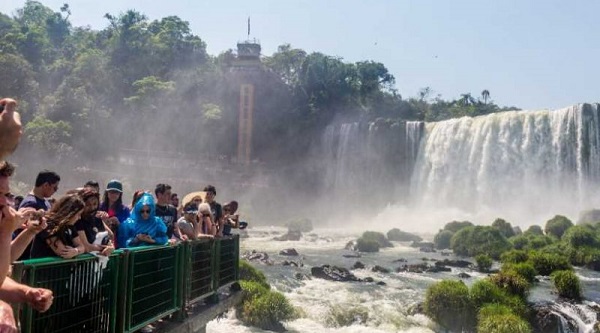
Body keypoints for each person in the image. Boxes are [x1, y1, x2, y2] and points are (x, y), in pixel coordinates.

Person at [15, 170, 61, 260]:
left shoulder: (45, 202)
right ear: (46, 185)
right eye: (55, 188)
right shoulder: (31, 203)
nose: (55, 191)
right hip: (28, 256)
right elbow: (25, 231)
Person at [30, 195, 86, 259]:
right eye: (78, 214)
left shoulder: (70, 226)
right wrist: (75, 250)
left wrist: (76, 251)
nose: (79, 218)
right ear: (70, 212)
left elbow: (82, 247)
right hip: (44, 268)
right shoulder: (48, 224)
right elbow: (63, 252)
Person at [75, 190, 114, 256]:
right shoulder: (78, 221)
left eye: (95, 204)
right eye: (88, 205)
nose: (92, 208)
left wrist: (111, 247)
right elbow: (87, 247)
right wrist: (103, 248)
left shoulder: (98, 219)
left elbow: (107, 239)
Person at [99, 180, 130, 248]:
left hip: (118, 244)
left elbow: (128, 229)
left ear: (120, 194)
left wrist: (119, 224)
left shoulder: (125, 210)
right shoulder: (99, 207)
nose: (114, 195)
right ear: (107, 193)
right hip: (101, 243)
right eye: (111, 192)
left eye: (116, 193)